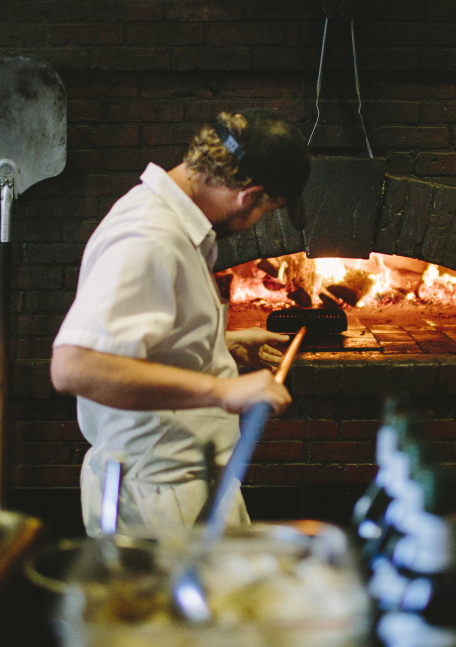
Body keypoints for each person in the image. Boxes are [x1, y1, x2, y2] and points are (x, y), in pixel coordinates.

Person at [50, 108, 311, 537]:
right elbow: (74, 365)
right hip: (157, 496)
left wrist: (216, 345)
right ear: (250, 196)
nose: (256, 223)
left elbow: (134, 345)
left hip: (179, 484)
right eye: (269, 211)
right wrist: (223, 389)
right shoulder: (149, 236)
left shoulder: (170, 222)